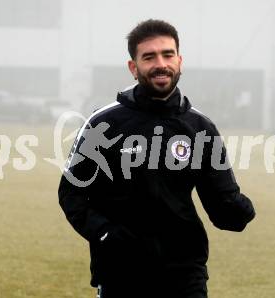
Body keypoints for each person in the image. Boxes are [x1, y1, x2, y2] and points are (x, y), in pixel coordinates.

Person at [58, 19, 255, 298]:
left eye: (168, 54)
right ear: (133, 67)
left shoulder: (200, 127)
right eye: (149, 57)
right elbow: (71, 193)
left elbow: (221, 206)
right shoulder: (103, 124)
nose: (160, 64)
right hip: (120, 272)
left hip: (185, 272)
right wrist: (105, 234)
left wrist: (237, 210)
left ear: (179, 61)